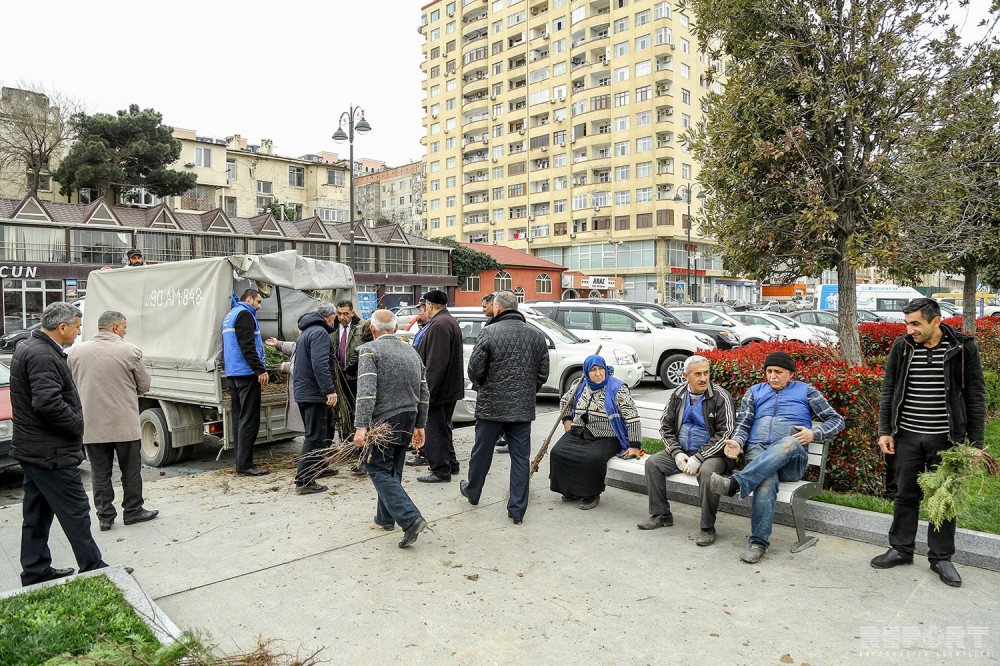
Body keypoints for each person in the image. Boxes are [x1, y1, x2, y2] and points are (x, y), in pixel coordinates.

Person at [870, 298, 986, 587]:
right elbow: (889, 388)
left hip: (946, 438)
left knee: (942, 500)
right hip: (907, 436)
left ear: (936, 321)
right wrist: (885, 430)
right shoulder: (903, 346)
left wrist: (975, 442)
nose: (910, 329)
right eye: (907, 323)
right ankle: (900, 549)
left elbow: (975, 395)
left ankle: (941, 557)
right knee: (905, 494)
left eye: (915, 323)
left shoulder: (962, 348)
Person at [9, 302, 118, 586]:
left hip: (35, 449)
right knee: (76, 509)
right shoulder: (43, 354)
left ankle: (35, 570)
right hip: (50, 451)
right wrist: (77, 425)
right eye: (77, 327)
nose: (79, 332)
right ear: (62, 327)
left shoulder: (30, 347)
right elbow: (47, 402)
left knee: (37, 512)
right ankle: (93, 566)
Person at [708, 351, 845, 564]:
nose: (772, 376)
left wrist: (814, 434)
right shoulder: (755, 391)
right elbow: (744, 423)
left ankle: (736, 483)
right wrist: (737, 441)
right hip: (758, 451)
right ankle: (758, 544)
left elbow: (837, 421)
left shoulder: (807, 391)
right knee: (765, 481)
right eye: (769, 371)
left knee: (790, 441)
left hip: (792, 460)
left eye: (778, 372)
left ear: (790, 374)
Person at [461, 291, 549, 524]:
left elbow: (474, 370)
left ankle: (472, 491)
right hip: (521, 408)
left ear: (497, 309)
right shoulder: (537, 336)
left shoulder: (488, 332)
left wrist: (484, 387)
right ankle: (517, 510)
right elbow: (542, 374)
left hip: (491, 406)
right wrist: (527, 391)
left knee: (481, 452)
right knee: (521, 459)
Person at [68, 311, 158, 532]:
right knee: (130, 470)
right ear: (116, 327)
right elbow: (144, 385)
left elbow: (70, 385)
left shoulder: (76, 352)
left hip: (92, 424)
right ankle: (133, 510)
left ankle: (105, 517)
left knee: (100, 473)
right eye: (124, 327)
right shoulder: (129, 351)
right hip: (123, 423)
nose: (126, 331)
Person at [639, 356, 736, 545]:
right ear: (686, 376)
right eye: (697, 374)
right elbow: (665, 426)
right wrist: (676, 453)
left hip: (713, 455)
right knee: (653, 463)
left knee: (708, 474)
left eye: (706, 373)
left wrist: (699, 458)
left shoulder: (720, 396)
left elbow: (726, 434)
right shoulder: (678, 394)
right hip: (683, 450)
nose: (703, 378)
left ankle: (707, 527)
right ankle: (661, 514)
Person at [354, 309, 431, 548]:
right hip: (408, 417)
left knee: (376, 468)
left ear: (373, 330)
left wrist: (361, 427)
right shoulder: (411, 351)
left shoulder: (370, 350)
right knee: (392, 469)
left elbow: (366, 393)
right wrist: (420, 424)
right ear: (395, 328)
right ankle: (385, 517)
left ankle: (410, 519)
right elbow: (424, 392)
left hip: (384, 420)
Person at [550, 355, 642, 510]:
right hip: (579, 432)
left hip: (606, 435)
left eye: (601, 369)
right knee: (558, 452)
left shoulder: (617, 389)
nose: (598, 373)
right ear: (586, 373)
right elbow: (566, 401)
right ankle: (570, 490)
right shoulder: (581, 385)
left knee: (592, 458)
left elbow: (632, 416)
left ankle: (591, 494)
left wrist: (634, 445)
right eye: (593, 370)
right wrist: (567, 422)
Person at [411, 289, 464, 483]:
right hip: (447, 388)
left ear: (430, 305)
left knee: (435, 431)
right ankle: (451, 463)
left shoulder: (439, 324)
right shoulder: (447, 321)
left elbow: (435, 364)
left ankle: (441, 470)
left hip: (440, 390)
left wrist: (427, 394)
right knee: (443, 428)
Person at [292, 303, 340, 495]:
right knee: (314, 437)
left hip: (305, 392)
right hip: (314, 393)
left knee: (317, 435)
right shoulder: (319, 333)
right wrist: (329, 390)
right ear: (330, 317)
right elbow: (320, 364)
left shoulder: (305, 333)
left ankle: (317, 469)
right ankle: (304, 480)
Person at [221, 289, 269, 476]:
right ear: (249, 299)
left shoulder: (230, 315)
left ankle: (240, 462)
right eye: (258, 301)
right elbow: (247, 346)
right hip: (246, 373)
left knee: (240, 419)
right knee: (249, 420)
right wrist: (260, 369)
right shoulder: (244, 315)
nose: (259, 305)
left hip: (233, 373)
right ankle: (246, 465)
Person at [481, 292, 508, 455]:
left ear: (495, 305)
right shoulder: (489, 324)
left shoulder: (491, 329)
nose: (483, 310)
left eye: (485, 306)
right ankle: (503, 436)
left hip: (500, 381)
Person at [263, 336, 304, 434]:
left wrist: (287, 366)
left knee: (314, 433)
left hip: (310, 395)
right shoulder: (310, 335)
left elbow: (301, 367)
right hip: (310, 395)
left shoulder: (314, 335)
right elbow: (295, 346)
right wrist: (278, 344)